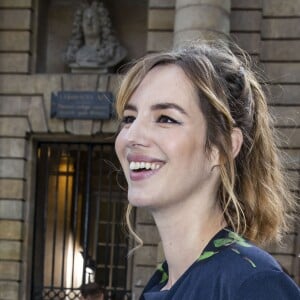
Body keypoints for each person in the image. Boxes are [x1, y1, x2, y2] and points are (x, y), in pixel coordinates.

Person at [114, 40, 300, 299]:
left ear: (222, 148)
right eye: (129, 118)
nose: (132, 135)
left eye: (166, 119)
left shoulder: (253, 284)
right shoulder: (161, 283)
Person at [65, 0, 126, 69]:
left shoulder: (116, 52)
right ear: (80, 24)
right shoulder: (71, 54)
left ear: (102, 22)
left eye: (93, 19)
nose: (89, 23)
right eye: (86, 19)